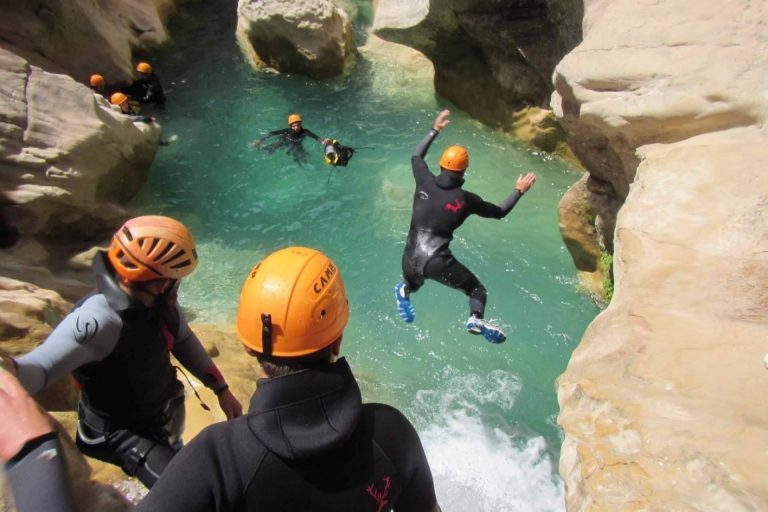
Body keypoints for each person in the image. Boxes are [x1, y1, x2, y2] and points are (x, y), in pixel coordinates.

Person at [1, 246, 441, 512]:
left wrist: (32, 458)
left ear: (248, 344)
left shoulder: (219, 458)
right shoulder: (392, 433)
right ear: (338, 335)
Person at [5, 215, 243, 488]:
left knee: (182, 467)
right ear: (161, 283)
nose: (179, 285)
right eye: (177, 280)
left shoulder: (159, 303)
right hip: (120, 433)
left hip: (158, 417)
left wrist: (221, 389)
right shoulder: (99, 321)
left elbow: (183, 339)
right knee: (192, 493)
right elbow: (39, 369)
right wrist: (9, 369)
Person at [395, 109, 537, 344]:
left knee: (414, 280)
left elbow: (416, 157)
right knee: (477, 291)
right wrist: (519, 190)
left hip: (409, 256)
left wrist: (435, 129)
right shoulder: (466, 199)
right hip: (436, 259)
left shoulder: (424, 180)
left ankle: (405, 288)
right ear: (464, 171)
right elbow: (500, 212)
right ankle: (475, 318)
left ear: (441, 165)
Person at [252, 114, 326, 164]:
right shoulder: (287, 131)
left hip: (296, 144)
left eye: (298, 125)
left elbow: (314, 136)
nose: (296, 127)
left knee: (303, 159)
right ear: (290, 126)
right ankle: (257, 147)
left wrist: (322, 141)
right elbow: (272, 133)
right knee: (269, 149)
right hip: (284, 141)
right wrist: (260, 140)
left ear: (301, 124)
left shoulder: (305, 131)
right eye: (294, 126)